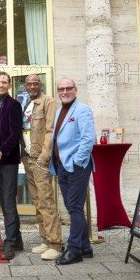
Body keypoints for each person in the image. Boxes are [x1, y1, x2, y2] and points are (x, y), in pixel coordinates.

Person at [49, 78, 95, 265]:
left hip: (76, 167)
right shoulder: (60, 110)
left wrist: (77, 161)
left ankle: (74, 249)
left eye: (69, 88)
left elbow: (88, 138)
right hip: (62, 166)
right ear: (58, 92)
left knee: (75, 208)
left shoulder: (82, 109)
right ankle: (85, 246)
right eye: (61, 89)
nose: (65, 91)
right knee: (72, 207)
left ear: (76, 90)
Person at [20, 74, 63, 261]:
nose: (31, 86)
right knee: (37, 201)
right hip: (27, 159)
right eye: (28, 84)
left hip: (40, 159)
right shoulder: (27, 104)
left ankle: (56, 243)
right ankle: (45, 239)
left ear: (41, 85)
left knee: (46, 201)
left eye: (35, 83)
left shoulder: (48, 101)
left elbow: (51, 130)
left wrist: (44, 156)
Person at [0, 72, 23, 260]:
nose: (1, 85)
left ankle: (10, 244)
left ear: (9, 85)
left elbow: (15, 133)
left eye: (4, 82)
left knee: (9, 202)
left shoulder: (13, 104)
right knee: (4, 200)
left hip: (8, 160)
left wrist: (1, 150)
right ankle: (17, 239)